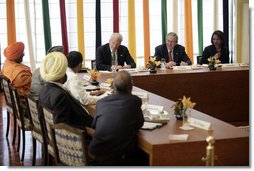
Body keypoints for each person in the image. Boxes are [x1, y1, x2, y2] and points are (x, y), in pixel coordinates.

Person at [88, 71, 145, 166]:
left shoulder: (101, 102)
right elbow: (139, 124)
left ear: (112, 87)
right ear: (131, 86)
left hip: (97, 151)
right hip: (119, 156)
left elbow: (95, 125)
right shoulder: (135, 101)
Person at [38, 52, 93, 132]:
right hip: (83, 135)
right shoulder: (60, 96)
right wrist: (87, 130)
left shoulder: (44, 89)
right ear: (60, 74)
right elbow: (62, 128)